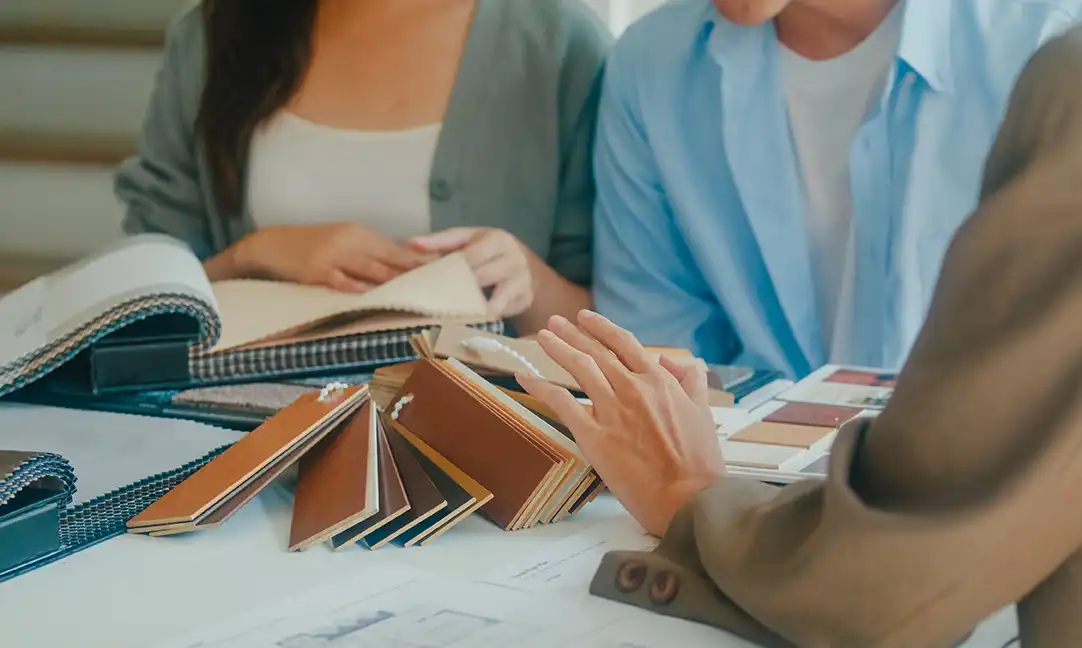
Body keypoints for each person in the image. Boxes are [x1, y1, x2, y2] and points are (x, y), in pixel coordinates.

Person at [518, 26, 1082, 647]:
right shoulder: (651, 65)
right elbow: (664, 346)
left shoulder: (1055, 54)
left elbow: (890, 587)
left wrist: (696, 501)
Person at [591, 0, 1082, 378]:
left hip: (990, 495)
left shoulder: (1051, 43)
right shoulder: (650, 68)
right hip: (745, 491)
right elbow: (657, 356)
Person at [116, 0, 609, 335]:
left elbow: (617, 329)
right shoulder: (212, 33)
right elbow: (141, 297)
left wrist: (527, 279)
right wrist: (253, 254)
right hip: (242, 441)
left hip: (477, 457)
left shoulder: (559, 43)